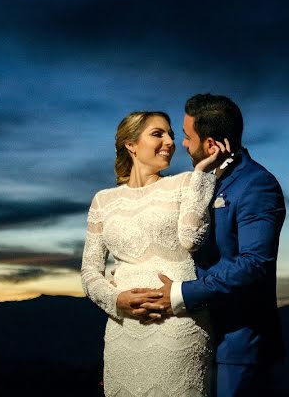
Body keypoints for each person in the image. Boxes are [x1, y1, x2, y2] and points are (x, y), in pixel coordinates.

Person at [139, 94, 287, 397]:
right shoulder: (201, 181)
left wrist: (181, 293)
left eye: (187, 136)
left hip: (237, 348)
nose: (181, 144)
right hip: (193, 340)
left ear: (210, 144)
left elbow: (253, 263)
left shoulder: (257, 185)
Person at [81, 111, 228, 396]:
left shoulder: (185, 182)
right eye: (158, 134)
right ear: (131, 144)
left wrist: (201, 175)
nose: (170, 141)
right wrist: (116, 299)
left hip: (177, 323)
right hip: (123, 327)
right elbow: (89, 271)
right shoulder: (103, 200)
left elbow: (192, 239)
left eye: (172, 134)